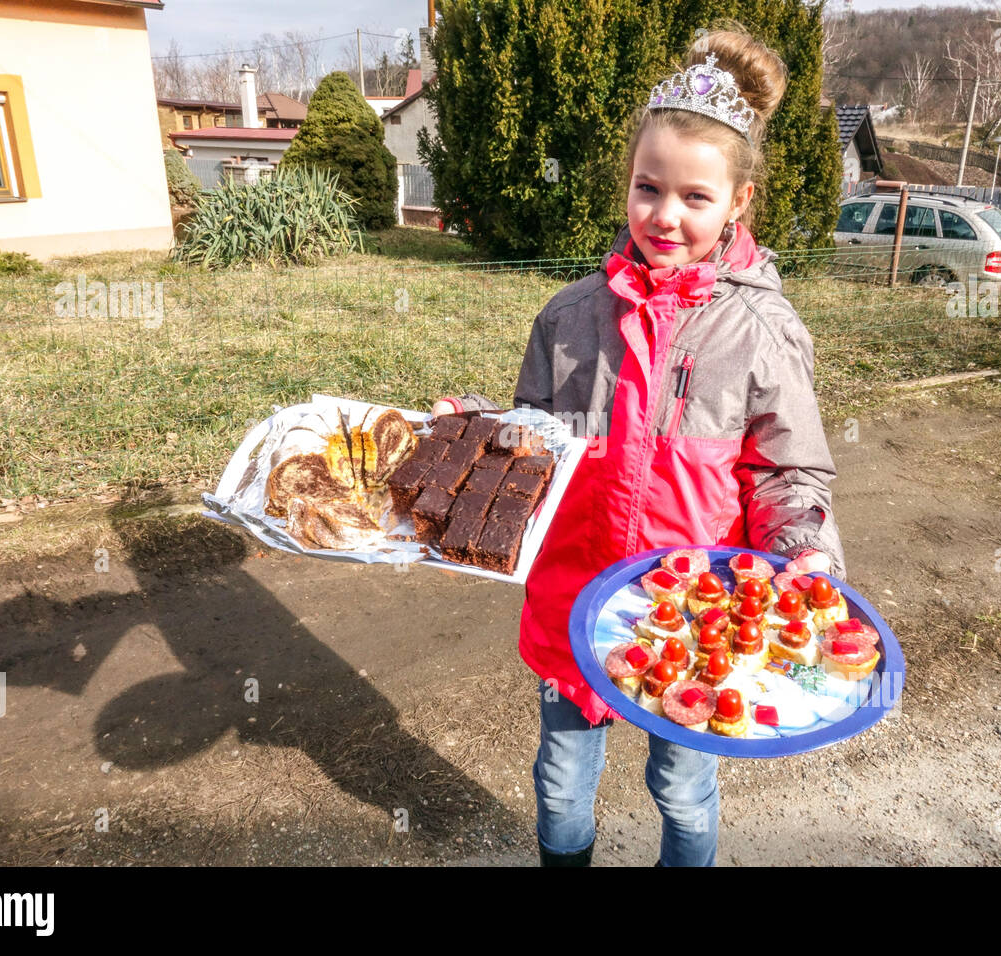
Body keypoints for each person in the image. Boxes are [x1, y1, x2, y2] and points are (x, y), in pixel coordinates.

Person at [433, 24, 846, 866]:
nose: (665, 215)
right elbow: (536, 451)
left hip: (694, 619)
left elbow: (788, 471)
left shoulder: (762, 332)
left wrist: (801, 551)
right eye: (647, 188)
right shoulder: (568, 317)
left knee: (683, 786)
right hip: (571, 605)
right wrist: (472, 433)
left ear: (739, 203)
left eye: (695, 197)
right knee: (560, 776)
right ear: (627, 184)